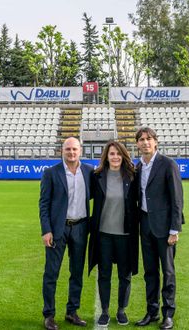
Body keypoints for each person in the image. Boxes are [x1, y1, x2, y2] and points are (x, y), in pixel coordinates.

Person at [39, 137, 93, 329]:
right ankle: (49, 315)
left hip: (80, 228)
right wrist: (46, 230)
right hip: (57, 229)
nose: (71, 152)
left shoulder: (88, 172)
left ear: (80, 151)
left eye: (75, 149)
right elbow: (44, 204)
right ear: (62, 150)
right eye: (68, 149)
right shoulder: (51, 173)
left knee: (76, 273)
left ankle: (72, 312)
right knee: (51, 273)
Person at [134, 127, 184, 330]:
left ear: (156, 142)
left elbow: (177, 199)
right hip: (145, 226)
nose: (145, 142)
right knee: (150, 272)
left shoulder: (168, 164)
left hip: (164, 228)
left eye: (149, 139)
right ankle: (152, 311)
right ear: (137, 144)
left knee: (168, 272)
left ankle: (168, 314)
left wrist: (174, 229)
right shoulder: (138, 167)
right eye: (141, 139)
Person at [87, 141, 139, 327]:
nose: (115, 157)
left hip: (125, 235)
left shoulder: (133, 176)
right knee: (104, 275)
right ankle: (105, 311)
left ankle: (121, 310)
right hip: (103, 235)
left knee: (124, 275)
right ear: (106, 157)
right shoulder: (97, 176)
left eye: (118, 153)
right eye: (111, 154)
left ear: (123, 155)